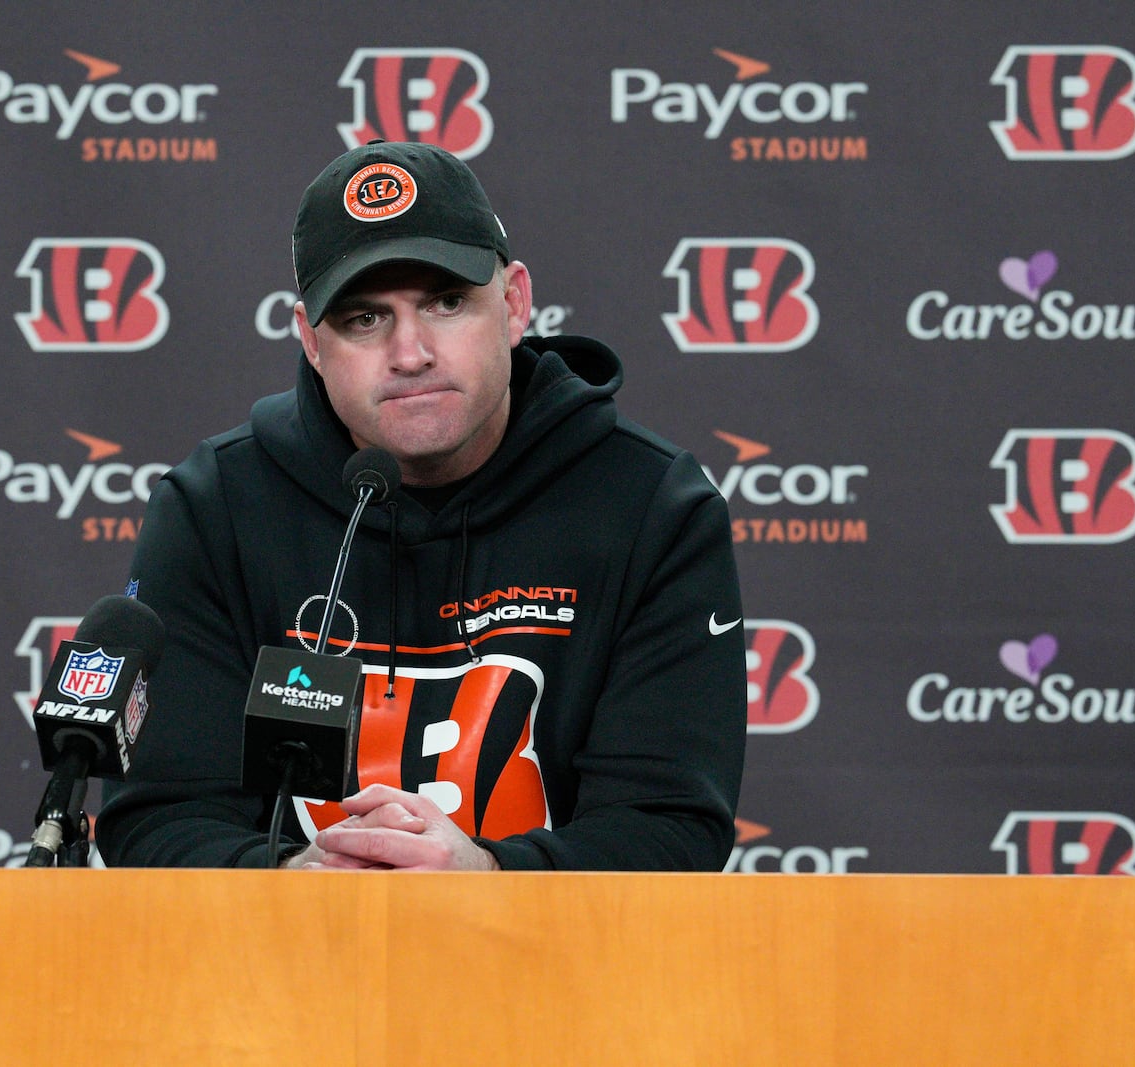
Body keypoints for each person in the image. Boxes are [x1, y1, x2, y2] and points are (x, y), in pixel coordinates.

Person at [96, 140, 746, 871]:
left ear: (513, 304)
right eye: (364, 319)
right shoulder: (216, 506)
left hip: (556, 975)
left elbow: (670, 825)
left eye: (445, 302)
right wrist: (291, 881)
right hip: (288, 973)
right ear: (311, 340)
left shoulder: (651, 506)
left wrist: (493, 879)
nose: (410, 352)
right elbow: (159, 816)